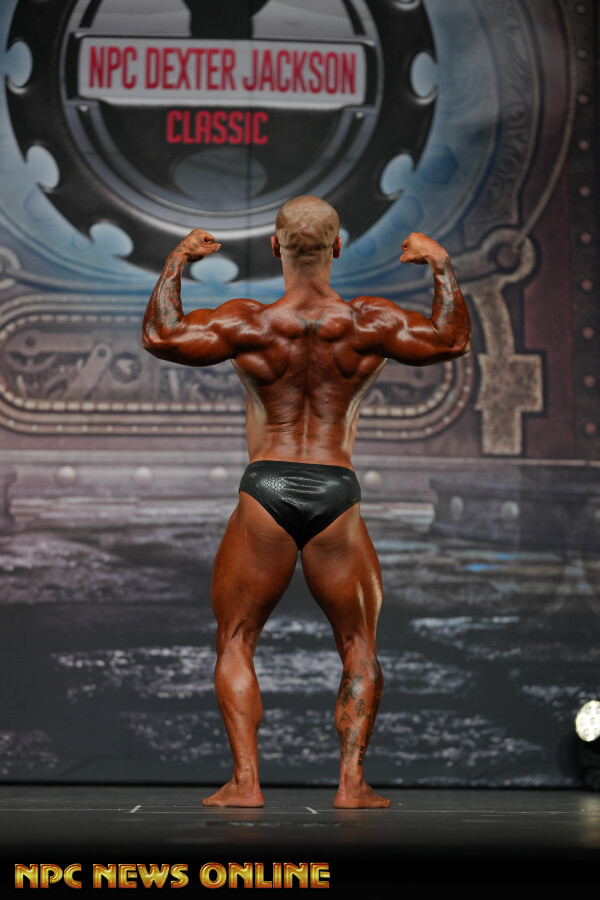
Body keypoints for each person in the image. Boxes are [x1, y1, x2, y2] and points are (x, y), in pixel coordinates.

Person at [141, 196, 471, 808]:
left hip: (265, 488)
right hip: (334, 489)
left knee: (236, 638)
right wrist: (441, 265)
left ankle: (246, 783)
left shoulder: (251, 323)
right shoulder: (368, 322)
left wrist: (177, 262)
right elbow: (451, 340)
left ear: (275, 247)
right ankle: (352, 785)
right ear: (338, 247)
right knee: (359, 644)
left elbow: (161, 335)